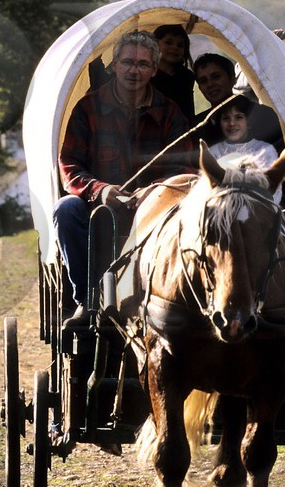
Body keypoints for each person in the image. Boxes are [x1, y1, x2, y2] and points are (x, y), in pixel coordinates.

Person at [54, 31, 192, 327]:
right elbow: (69, 164)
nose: (134, 70)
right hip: (98, 208)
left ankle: (170, 299)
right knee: (66, 210)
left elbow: (185, 168)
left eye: (143, 64)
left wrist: (153, 194)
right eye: (127, 62)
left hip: (157, 212)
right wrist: (101, 190)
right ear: (114, 65)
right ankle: (87, 300)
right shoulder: (88, 108)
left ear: (154, 70)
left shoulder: (170, 113)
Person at [194, 51, 283, 150]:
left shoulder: (263, 115)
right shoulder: (196, 126)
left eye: (216, 76)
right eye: (203, 81)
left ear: (233, 79)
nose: (210, 84)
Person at [208, 95, 278, 171]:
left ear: (249, 121)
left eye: (238, 117)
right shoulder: (213, 153)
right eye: (226, 118)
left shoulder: (265, 150)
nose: (232, 123)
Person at [149, 23, 196, 119]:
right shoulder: (146, 74)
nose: (175, 47)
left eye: (180, 45)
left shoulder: (187, 77)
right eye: (168, 42)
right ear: (156, 45)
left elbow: (188, 111)